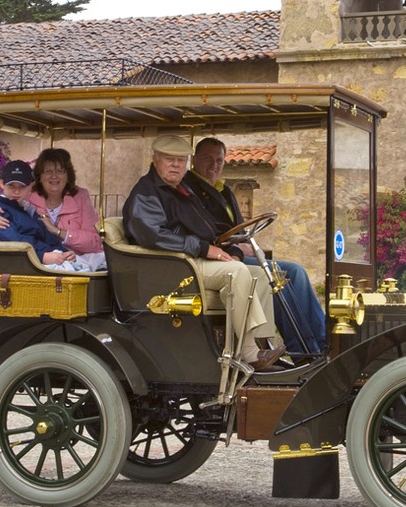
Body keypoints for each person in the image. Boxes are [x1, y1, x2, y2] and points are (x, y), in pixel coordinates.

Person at [122, 135, 286, 371]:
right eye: (170, 159)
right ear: (155, 160)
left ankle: (263, 345)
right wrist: (204, 249)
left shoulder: (182, 191)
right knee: (237, 274)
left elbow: (210, 229)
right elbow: (154, 237)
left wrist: (231, 251)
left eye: (181, 160)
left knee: (258, 275)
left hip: (190, 260)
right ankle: (250, 354)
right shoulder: (147, 193)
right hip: (170, 266)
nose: (177, 165)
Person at [185, 137, 328, 355]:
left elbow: (240, 226)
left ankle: (322, 342)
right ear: (194, 159)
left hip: (237, 251)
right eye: (207, 159)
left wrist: (248, 241)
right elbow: (205, 233)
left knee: (296, 271)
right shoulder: (190, 190)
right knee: (276, 274)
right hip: (219, 257)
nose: (214, 165)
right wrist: (238, 247)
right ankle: (302, 350)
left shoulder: (224, 191)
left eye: (219, 160)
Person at [0, 148, 103, 256]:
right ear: (39, 177)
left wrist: (58, 232)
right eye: (48, 171)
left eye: (60, 171)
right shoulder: (26, 193)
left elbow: (95, 241)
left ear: (68, 175)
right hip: (41, 259)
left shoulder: (80, 196)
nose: (54, 176)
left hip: (76, 257)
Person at [0, 160, 77, 266]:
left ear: (30, 186)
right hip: (26, 265)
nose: (16, 191)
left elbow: (47, 237)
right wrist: (42, 256)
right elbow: (14, 243)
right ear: (2, 184)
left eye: (21, 186)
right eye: (11, 186)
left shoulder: (27, 209)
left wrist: (64, 252)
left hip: (45, 259)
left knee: (93, 261)